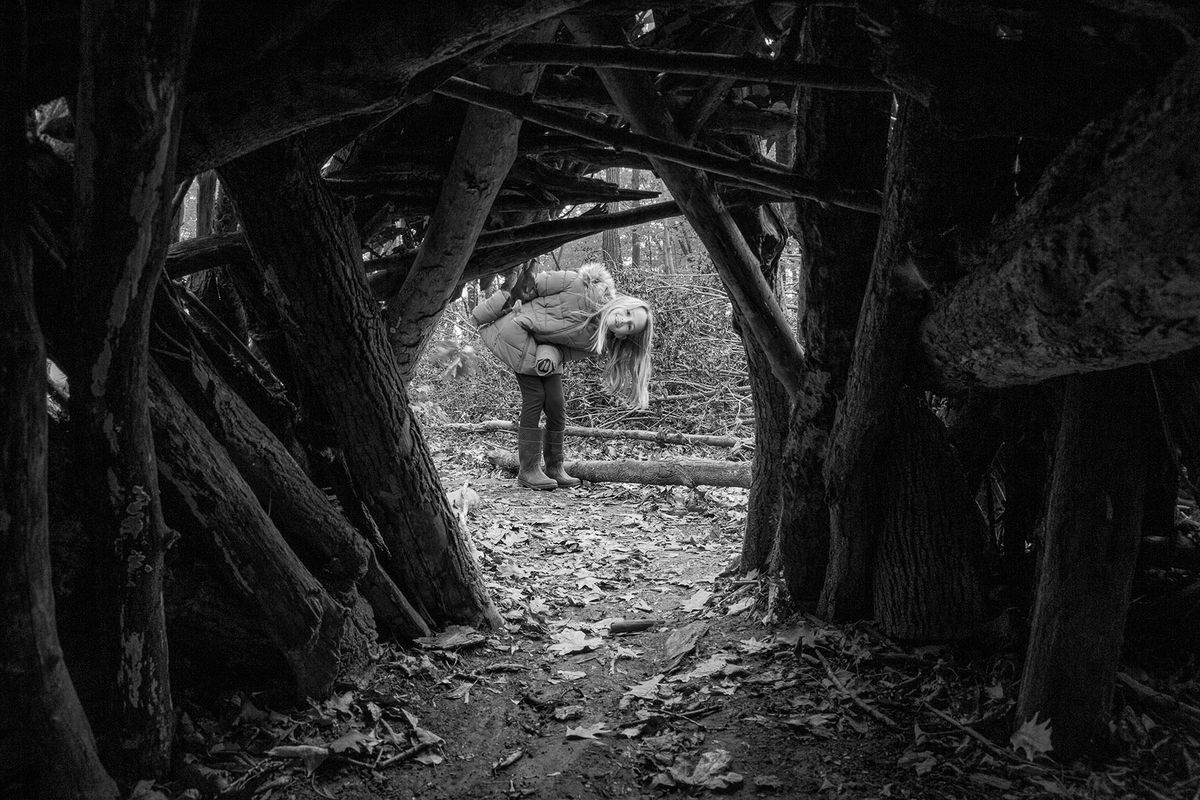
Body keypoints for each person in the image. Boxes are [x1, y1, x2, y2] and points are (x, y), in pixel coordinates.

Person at [472, 262, 654, 490]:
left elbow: (562, 351)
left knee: (557, 404)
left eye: (629, 326)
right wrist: (481, 315)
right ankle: (528, 469)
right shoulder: (578, 284)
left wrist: (547, 357)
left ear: (624, 336)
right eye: (627, 313)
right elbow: (529, 285)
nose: (623, 320)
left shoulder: (595, 342)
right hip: (515, 329)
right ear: (621, 302)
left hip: (537, 346)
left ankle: (554, 466)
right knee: (535, 396)